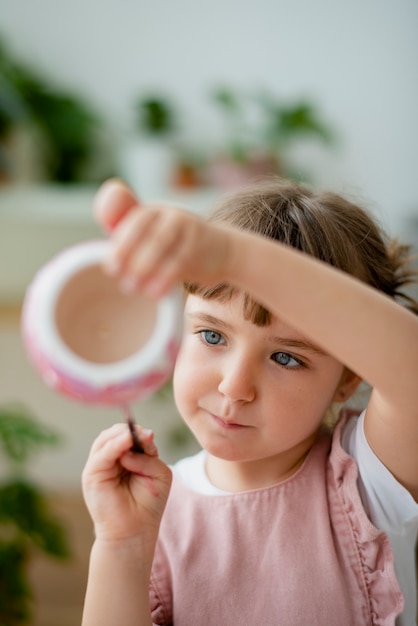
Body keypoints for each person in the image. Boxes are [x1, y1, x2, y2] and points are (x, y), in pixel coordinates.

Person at [81, 177, 418, 626]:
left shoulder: (367, 479)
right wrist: (121, 546)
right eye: (212, 335)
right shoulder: (150, 514)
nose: (234, 387)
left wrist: (233, 257)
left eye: (285, 357)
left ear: (348, 376)